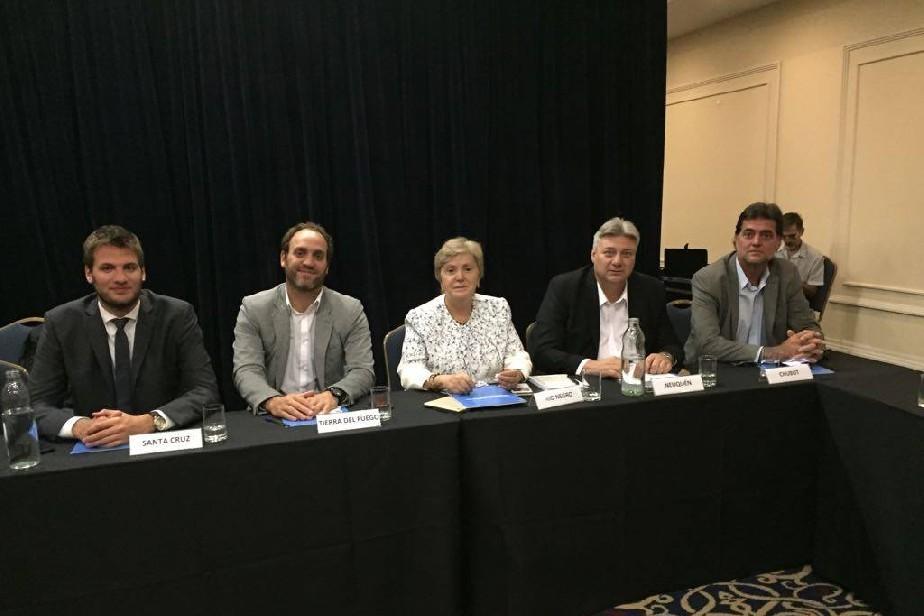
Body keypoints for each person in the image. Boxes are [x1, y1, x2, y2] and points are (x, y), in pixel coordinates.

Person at [29, 225, 220, 447]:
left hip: (161, 445)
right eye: (107, 268)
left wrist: (149, 422)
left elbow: (204, 390)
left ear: (143, 272)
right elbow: (35, 404)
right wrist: (82, 426)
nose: (120, 278)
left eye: (129, 267)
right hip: (93, 448)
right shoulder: (62, 322)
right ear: (89, 274)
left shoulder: (176, 315)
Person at [233, 222, 374, 419]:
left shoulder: (350, 310)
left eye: (318, 256)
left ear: (327, 267)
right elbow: (246, 370)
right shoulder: (254, 308)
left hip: (330, 415)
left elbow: (362, 370)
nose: (308, 262)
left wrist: (333, 395)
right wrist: (273, 401)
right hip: (275, 417)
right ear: (283, 258)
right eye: (300, 253)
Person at [530, 217, 683, 378]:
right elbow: (542, 351)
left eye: (627, 254)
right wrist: (588, 365)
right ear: (593, 255)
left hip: (635, 384)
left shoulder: (650, 290)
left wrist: (666, 357)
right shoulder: (566, 287)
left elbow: (673, 345)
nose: (617, 262)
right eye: (609, 253)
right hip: (586, 384)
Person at [685, 202, 824, 368]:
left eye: (766, 236)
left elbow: (808, 326)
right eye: (748, 234)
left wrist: (811, 344)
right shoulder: (709, 279)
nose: (756, 242)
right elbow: (708, 344)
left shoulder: (787, 274)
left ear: (778, 243)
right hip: (717, 369)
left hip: (768, 371)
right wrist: (774, 353)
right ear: (736, 240)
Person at [398, 237, 531, 393]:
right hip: (441, 401)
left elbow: (517, 355)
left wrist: (516, 372)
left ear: (478, 275)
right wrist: (442, 381)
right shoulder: (420, 317)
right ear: (440, 278)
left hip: (495, 398)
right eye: (451, 270)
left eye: (468, 269)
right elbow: (409, 369)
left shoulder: (497, 308)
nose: (460, 277)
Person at [776, 211, 824, 299]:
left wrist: (793, 281)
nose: (787, 241)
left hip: (798, 302)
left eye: (792, 236)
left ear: (801, 231)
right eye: (783, 236)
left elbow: (812, 292)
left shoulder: (815, 257)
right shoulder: (774, 253)